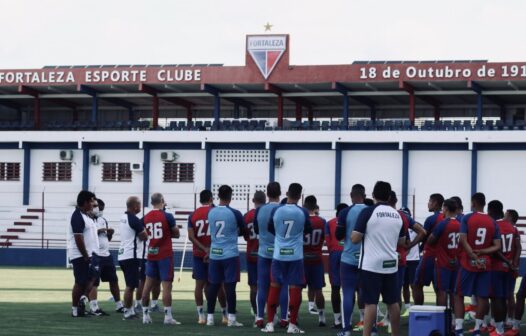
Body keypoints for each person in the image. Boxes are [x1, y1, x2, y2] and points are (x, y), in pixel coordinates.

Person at [351, 181, 406, 336]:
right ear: (389, 197)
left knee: (370, 303)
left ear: (373, 195)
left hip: (371, 265)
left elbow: (355, 238)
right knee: (393, 302)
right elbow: (402, 241)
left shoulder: (368, 212)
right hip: (391, 264)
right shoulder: (397, 214)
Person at [261, 182, 312, 334]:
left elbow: (270, 228)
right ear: (300, 195)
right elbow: (308, 230)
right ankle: (292, 325)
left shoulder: (277, 210)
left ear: (287, 193)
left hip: (278, 255)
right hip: (295, 256)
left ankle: (269, 324)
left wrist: (281, 236)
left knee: (274, 287)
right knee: (295, 289)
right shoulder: (302, 212)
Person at [453, 192, 501, 336]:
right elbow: (497, 245)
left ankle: (459, 329)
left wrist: (473, 254)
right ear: (484, 203)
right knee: (483, 296)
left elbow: (462, 239)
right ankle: (478, 329)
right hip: (485, 262)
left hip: (468, 262)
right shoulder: (492, 221)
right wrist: (482, 252)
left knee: (458, 294)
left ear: (473, 203)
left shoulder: (467, 217)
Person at [206, 185, 246, 327]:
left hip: (215, 253)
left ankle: (210, 318)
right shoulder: (235, 213)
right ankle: (232, 319)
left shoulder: (211, 212)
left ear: (218, 195)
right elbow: (244, 230)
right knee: (230, 287)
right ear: (231, 196)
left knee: (213, 286)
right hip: (230, 254)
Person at [187, 189, 228, 325]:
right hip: (216, 254)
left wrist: (203, 249)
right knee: (219, 285)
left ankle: (201, 316)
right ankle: (224, 314)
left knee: (199, 285)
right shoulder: (216, 211)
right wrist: (210, 249)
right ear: (211, 198)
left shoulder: (193, 215)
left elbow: (191, 237)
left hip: (199, 254)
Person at [141, 193, 181, 325]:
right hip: (164, 255)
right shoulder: (167, 216)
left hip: (151, 254)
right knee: (167, 286)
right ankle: (168, 317)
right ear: (162, 201)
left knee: (147, 286)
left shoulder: (145, 217)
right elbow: (176, 233)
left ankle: (145, 315)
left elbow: (143, 235)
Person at [253, 182, 289, 329]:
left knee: (262, 286)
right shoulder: (284, 209)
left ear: (267, 194)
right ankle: (284, 318)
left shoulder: (259, 210)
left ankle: (260, 317)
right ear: (280, 193)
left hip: (263, 252)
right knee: (283, 286)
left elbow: (256, 230)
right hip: (280, 253)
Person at [335, 184, 367, 336]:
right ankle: (371, 329)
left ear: (351, 195)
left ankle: (346, 329)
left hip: (348, 258)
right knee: (367, 294)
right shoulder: (370, 211)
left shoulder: (345, 212)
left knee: (347, 293)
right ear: (365, 195)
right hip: (366, 258)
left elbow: (338, 236)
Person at [487, 201, 520, 336]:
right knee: (508, 296)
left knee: (496, 299)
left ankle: (499, 329)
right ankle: (506, 323)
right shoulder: (513, 228)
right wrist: (514, 263)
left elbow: (495, 250)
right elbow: (518, 247)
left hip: (496, 267)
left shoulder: (494, 226)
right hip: (510, 268)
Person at [88, 198, 123, 315]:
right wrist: (101, 230)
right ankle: (94, 307)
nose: (100, 210)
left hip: (106, 254)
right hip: (94, 254)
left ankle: (119, 305)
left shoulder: (103, 220)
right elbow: (89, 234)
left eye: (102, 208)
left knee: (114, 280)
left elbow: (107, 238)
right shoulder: (87, 220)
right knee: (94, 281)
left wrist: (110, 233)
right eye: (99, 208)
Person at [68, 190, 99, 317]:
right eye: (92, 201)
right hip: (81, 255)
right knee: (80, 282)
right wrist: (85, 255)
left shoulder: (86, 215)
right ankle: (75, 310)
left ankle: (82, 300)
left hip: (91, 254)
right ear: (85, 202)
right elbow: (78, 238)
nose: (93, 204)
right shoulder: (77, 216)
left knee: (92, 278)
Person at [426, 198, 461, 307]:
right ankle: (455, 319)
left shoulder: (442, 224)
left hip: (443, 262)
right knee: (454, 292)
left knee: (442, 291)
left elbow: (430, 240)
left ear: (445, 209)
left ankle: (442, 317)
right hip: (456, 262)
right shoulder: (460, 224)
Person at [118, 196, 148, 320]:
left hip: (123, 254)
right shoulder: (134, 219)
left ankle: (129, 310)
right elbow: (144, 236)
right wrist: (145, 231)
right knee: (131, 286)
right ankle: (128, 312)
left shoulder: (123, 217)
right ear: (135, 206)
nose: (140, 207)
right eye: (139, 204)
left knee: (130, 284)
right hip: (132, 256)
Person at [413, 193, 444, 305]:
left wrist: (411, 244)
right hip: (443, 257)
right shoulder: (449, 219)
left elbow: (423, 236)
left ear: (435, 203)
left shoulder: (432, 219)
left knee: (417, 285)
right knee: (440, 289)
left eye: (430, 201)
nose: (428, 203)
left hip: (430, 255)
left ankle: (418, 311)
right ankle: (443, 317)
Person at [303, 195, 327, 327]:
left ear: (305, 206)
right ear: (315, 206)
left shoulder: (302, 219)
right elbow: (324, 237)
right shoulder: (322, 221)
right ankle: (322, 315)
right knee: (318, 289)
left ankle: (292, 316)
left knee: (295, 288)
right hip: (317, 257)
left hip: (302, 258)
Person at [325, 202, 348, 328]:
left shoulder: (329, 223)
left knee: (335, 287)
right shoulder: (351, 220)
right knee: (352, 288)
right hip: (349, 254)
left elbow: (328, 242)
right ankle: (356, 319)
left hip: (334, 255)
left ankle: (337, 320)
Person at [244, 190, 266, 318]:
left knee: (253, 287)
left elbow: (245, 235)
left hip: (251, 254)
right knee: (269, 285)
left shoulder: (247, 216)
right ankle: (271, 312)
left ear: (253, 201)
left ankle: (257, 314)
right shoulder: (268, 212)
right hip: (266, 254)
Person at [506, 209, 523, 336]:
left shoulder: (513, 230)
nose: (504, 216)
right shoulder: (506, 228)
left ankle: (510, 320)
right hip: (505, 265)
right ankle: (510, 320)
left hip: (508, 266)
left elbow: (518, 247)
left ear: (510, 217)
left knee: (511, 294)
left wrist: (515, 264)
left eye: (506, 214)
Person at [401, 207, 419, 316]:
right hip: (403, 260)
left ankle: (416, 307)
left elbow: (423, 236)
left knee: (414, 285)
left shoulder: (415, 226)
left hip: (413, 260)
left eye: (406, 214)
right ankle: (407, 307)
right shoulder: (398, 225)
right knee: (404, 285)